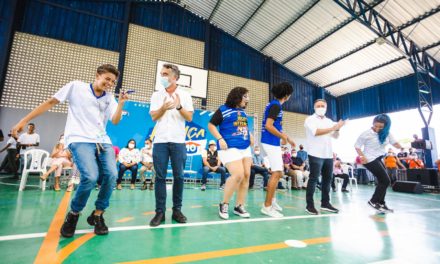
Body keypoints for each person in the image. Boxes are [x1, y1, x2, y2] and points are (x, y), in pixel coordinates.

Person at [12, 64, 128, 237]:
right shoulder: (76, 87)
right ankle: (73, 215)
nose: (109, 83)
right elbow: (51, 102)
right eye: (107, 79)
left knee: (112, 175)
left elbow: (116, 120)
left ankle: (98, 214)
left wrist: (121, 104)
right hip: (79, 139)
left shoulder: (109, 98)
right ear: (97, 75)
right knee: (89, 177)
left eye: (113, 81)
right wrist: (24, 120)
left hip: (102, 141)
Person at [149, 63, 194, 227]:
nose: (162, 77)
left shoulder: (185, 95)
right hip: (160, 141)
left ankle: (177, 210)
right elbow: (154, 116)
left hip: (178, 141)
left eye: (165, 74)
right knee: (160, 177)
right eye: (161, 73)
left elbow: (189, 117)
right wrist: (163, 107)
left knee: (179, 176)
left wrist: (179, 106)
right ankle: (159, 212)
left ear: (175, 77)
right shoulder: (156, 95)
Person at [208, 86, 253, 220]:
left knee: (246, 175)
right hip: (228, 147)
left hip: (245, 147)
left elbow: (242, 127)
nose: (247, 99)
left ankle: (239, 206)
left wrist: (250, 135)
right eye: (245, 96)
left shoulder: (243, 113)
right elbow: (211, 125)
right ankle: (224, 204)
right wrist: (220, 138)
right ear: (237, 97)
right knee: (238, 174)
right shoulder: (223, 110)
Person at [304, 99, 345, 215]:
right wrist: (333, 128)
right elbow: (316, 132)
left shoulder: (329, 121)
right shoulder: (310, 119)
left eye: (323, 106)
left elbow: (335, 136)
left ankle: (325, 203)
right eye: (318, 105)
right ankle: (309, 205)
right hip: (315, 153)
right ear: (314, 107)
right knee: (313, 179)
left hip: (328, 154)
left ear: (326, 108)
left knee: (328, 179)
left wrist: (337, 128)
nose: (321, 107)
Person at [355, 114, 402, 213]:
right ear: (373, 123)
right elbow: (357, 146)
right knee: (385, 180)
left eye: (381, 127)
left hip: (379, 158)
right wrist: (362, 156)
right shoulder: (366, 133)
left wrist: (401, 147)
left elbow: (395, 143)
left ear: (386, 126)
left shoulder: (387, 133)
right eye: (376, 125)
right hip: (369, 159)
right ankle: (373, 201)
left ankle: (381, 203)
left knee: (384, 181)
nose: (377, 128)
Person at [260, 82, 295, 218]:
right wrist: (282, 137)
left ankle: (272, 201)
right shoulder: (275, 106)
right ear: (286, 95)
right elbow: (269, 126)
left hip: (272, 141)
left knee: (278, 173)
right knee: (276, 173)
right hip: (270, 142)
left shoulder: (274, 104)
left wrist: (288, 138)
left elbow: (276, 127)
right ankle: (267, 206)